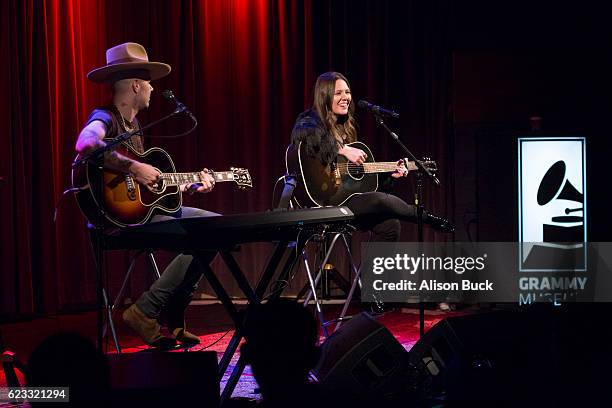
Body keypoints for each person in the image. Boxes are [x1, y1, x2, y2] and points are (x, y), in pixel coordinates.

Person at [75, 42, 217, 348]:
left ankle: (170, 317)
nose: (153, 89)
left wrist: (188, 186)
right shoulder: (105, 117)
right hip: (116, 224)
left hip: (141, 215)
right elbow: (86, 144)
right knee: (210, 231)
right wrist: (133, 167)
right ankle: (146, 310)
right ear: (137, 85)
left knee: (215, 228)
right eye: (150, 83)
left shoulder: (135, 126)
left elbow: (147, 191)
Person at [290, 71, 454, 241]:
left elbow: (353, 183)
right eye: (338, 93)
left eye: (348, 92)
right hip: (321, 201)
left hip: (343, 199)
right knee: (380, 201)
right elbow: (303, 135)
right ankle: (424, 217)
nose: (346, 97)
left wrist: (388, 174)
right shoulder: (309, 119)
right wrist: (342, 149)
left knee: (390, 226)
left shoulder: (345, 127)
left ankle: (369, 269)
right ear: (324, 96)